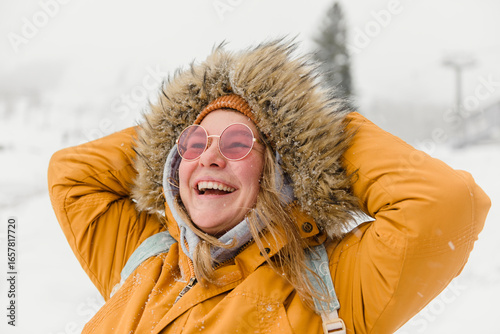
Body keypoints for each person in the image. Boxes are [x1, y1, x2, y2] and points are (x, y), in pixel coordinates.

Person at [48, 40, 490, 333]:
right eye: (194, 143)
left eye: (238, 143)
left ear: (277, 173)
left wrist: (318, 137)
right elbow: (71, 175)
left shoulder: (332, 284)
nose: (209, 156)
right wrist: (167, 132)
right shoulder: (145, 255)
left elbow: (446, 204)